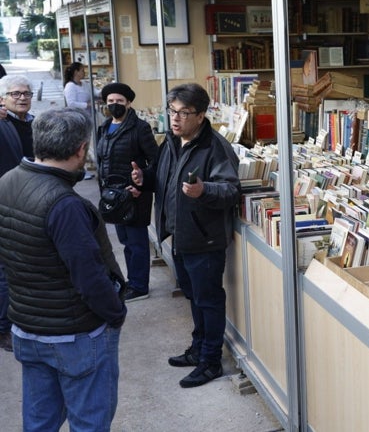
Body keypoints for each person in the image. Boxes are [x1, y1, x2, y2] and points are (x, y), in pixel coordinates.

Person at [0, 107, 127, 431]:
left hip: (28, 328)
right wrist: (115, 313)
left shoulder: (8, 181)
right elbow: (89, 277)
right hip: (73, 334)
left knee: (40, 421)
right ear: (81, 149)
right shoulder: (64, 205)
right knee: (90, 422)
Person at [131, 83, 240, 388]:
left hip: (204, 240)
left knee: (209, 300)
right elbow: (162, 177)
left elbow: (231, 190)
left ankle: (210, 361)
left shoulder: (216, 147)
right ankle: (198, 349)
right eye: (172, 111)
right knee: (194, 297)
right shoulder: (171, 141)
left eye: (184, 113)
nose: (175, 119)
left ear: (202, 115)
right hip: (179, 236)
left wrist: (204, 190)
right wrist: (144, 179)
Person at [97, 82, 159, 302]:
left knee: (137, 241)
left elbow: (155, 160)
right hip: (113, 196)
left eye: (120, 101)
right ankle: (131, 282)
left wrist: (141, 182)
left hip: (134, 194)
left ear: (129, 103)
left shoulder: (140, 128)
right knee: (124, 240)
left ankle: (139, 286)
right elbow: (101, 160)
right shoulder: (104, 128)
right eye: (111, 101)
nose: (115, 105)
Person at [0, 75, 35, 353]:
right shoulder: (2, 123)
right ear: (3, 98)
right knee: (4, 271)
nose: (22, 98)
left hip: (26, 202)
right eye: (15, 94)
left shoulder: (30, 123)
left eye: (26, 93)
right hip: (5, 204)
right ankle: (3, 328)